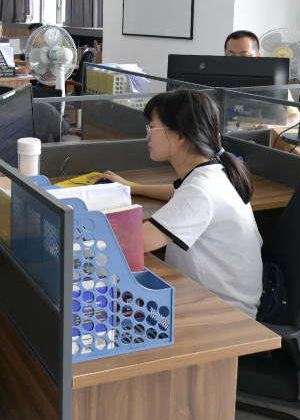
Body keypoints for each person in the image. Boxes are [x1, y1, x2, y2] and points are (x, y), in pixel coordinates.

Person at [97, 89, 263, 317]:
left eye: (152, 128)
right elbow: (179, 193)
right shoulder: (213, 172)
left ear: (180, 136)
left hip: (221, 312)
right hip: (216, 299)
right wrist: (130, 187)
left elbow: (137, 242)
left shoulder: (201, 190)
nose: (147, 136)